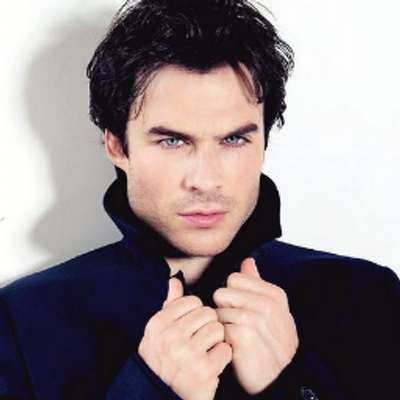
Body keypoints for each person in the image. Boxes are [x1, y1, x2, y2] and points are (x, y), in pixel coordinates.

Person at [1, 0, 399, 399]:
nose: (206, 180)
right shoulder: (21, 322)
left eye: (234, 139)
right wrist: (146, 391)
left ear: (264, 141)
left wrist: (290, 382)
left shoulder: (369, 298)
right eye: (173, 141)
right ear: (117, 145)